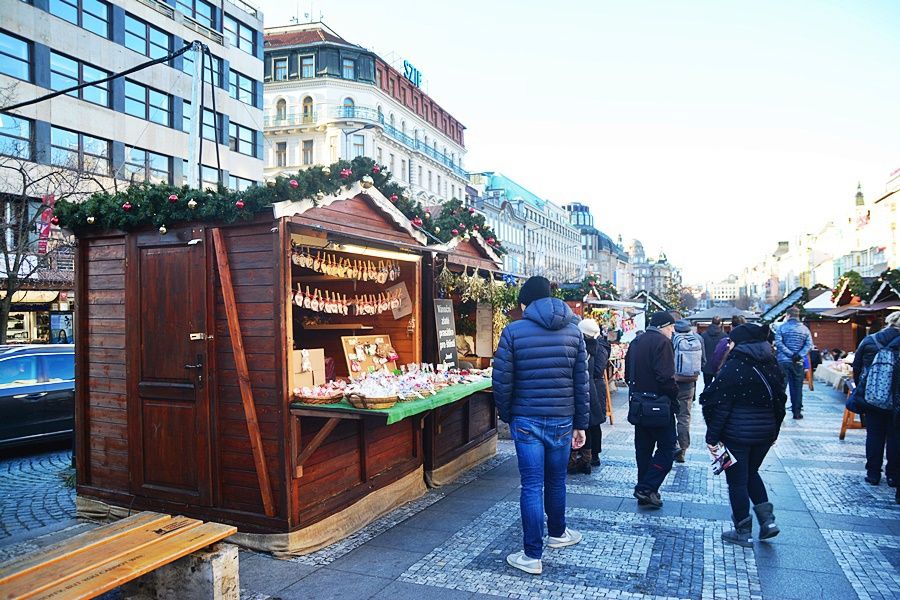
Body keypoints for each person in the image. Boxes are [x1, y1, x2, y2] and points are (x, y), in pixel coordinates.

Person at [492, 276, 590, 575]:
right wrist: (581, 424)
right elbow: (582, 383)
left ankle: (532, 555)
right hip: (562, 419)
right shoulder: (574, 332)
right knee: (557, 480)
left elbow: (502, 381)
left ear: (525, 304)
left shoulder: (513, 332)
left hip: (526, 420)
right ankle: (558, 534)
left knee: (532, 484)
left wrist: (508, 414)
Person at [700, 323, 787, 546]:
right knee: (752, 473)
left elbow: (720, 406)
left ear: (740, 343)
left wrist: (712, 437)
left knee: (737, 481)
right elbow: (780, 402)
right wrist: (775, 430)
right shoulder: (772, 364)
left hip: (737, 433)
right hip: (765, 433)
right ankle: (768, 523)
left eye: (732, 342)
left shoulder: (734, 366)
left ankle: (742, 530)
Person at [625, 311, 679, 509]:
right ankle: (647, 487)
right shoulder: (662, 343)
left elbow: (626, 375)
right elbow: (665, 377)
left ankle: (646, 491)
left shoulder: (636, 341)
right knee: (667, 448)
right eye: (671, 326)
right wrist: (674, 396)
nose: (673, 331)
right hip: (659, 405)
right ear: (663, 326)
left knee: (643, 449)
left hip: (639, 405)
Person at [851, 311, 900, 495]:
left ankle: (873, 473)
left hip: (872, 397)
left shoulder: (870, 340)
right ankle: (893, 475)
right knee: (895, 437)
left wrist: (862, 389)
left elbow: (856, 367)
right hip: (897, 400)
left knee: (874, 435)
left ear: (888, 322)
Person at [569, 318, 609, 474]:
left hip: (585, 390)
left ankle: (578, 461)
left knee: (583, 426)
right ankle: (586, 460)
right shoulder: (595, 346)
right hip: (591, 390)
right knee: (588, 426)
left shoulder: (582, 348)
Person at [672, 319, 705, 463]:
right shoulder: (698, 338)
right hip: (689, 384)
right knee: (684, 417)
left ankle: (672, 445)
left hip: (672, 382)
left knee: (668, 415)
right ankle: (683, 449)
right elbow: (703, 361)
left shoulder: (671, 338)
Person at [774, 307, 813, 419]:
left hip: (783, 360)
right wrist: (799, 355)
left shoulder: (781, 328)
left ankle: (779, 411)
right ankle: (797, 412)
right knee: (797, 387)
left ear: (788, 315)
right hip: (798, 362)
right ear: (798, 316)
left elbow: (779, 343)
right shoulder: (805, 329)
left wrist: (790, 353)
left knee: (781, 387)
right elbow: (809, 345)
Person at [701, 317, 727, 386]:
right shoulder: (724, 336)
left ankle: (706, 397)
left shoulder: (703, 335)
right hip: (719, 365)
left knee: (706, 386)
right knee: (719, 387)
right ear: (720, 323)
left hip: (706, 366)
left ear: (711, 322)